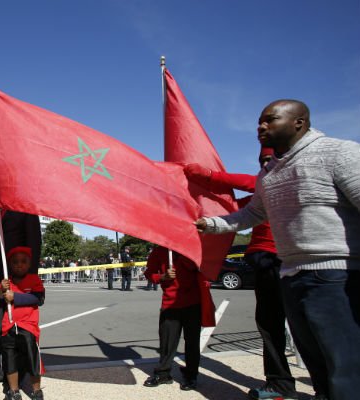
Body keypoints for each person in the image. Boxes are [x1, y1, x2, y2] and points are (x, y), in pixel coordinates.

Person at [195, 100, 360, 400]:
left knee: (346, 365)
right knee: (317, 363)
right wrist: (211, 224)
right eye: (259, 121)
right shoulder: (268, 174)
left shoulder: (339, 153)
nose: (261, 126)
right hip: (291, 275)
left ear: (299, 122)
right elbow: (252, 214)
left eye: (270, 120)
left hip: (338, 275)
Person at [184, 147, 297, 399]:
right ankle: (279, 384)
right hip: (263, 258)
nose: (266, 167)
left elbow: (239, 183)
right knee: (270, 324)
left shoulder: (290, 179)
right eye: (262, 162)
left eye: (271, 160)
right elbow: (235, 210)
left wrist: (209, 174)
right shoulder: (261, 192)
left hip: (291, 259)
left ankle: (327, 386)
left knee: (309, 325)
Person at [0, 204, 41, 387]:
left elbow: (34, 241)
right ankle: (2, 367)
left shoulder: (24, 208)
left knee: (20, 329)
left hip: (17, 279)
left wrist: (28, 278)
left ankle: (21, 368)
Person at [143, 246, 202, 391]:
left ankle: (191, 375)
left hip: (193, 301)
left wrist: (181, 256)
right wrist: (163, 277)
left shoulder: (191, 246)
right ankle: (163, 374)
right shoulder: (158, 251)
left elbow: (200, 267)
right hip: (169, 304)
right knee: (167, 342)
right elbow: (149, 274)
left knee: (192, 342)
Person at [0, 247, 45, 400]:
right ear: (10, 264)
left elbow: (38, 299)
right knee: (10, 360)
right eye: (15, 262)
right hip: (8, 327)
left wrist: (15, 296)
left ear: (29, 263)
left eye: (23, 262)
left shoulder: (34, 280)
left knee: (32, 359)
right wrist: (1, 293)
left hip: (28, 326)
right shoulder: (6, 282)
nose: (19, 265)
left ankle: (36, 390)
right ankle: (13, 390)